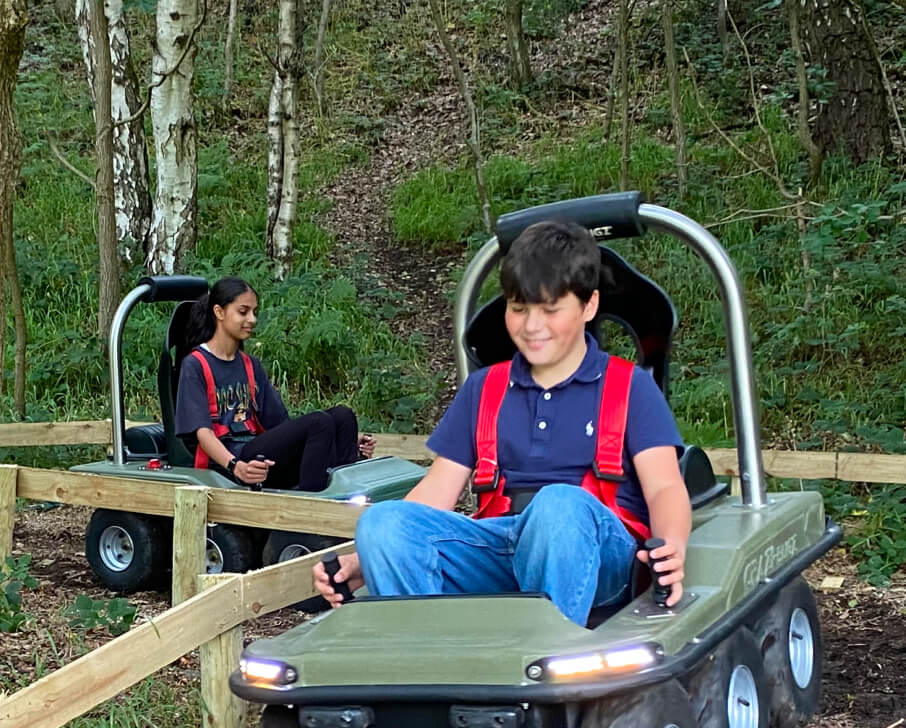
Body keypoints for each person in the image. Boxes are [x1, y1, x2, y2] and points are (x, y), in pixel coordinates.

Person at [313, 221, 690, 627]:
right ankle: (426, 654)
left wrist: (671, 546)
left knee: (558, 507)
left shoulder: (629, 387)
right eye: (519, 308)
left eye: (550, 309)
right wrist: (364, 558)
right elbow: (435, 494)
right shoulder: (484, 389)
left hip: (599, 553)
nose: (532, 326)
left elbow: (665, 487)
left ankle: (546, 654)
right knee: (382, 522)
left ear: (589, 306)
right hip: (500, 544)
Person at [174, 276, 374, 490]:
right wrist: (236, 466)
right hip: (232, 462)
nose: (252, 319)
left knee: (342, 416)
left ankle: (345, 493)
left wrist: (342, 443)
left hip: (259, 455)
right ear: (219, 312)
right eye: (243, 312)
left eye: (254, 312)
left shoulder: (250, 364)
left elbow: (280, 425)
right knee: (319, 422)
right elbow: (203, 434)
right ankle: (311, 504)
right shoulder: (195, 364)